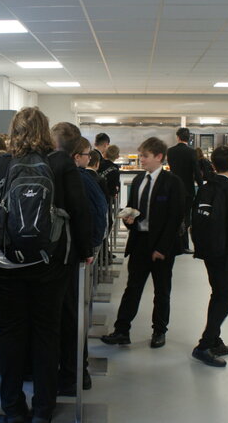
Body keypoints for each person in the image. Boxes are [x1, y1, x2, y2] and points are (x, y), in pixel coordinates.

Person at [0, 107, 92, 423]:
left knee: (10, 334)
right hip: (51, 264)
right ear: (45, 131)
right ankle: (43, 407)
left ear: (14, 131)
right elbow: (80, 213)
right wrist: (85, 251)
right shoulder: (61, 163)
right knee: (47, 334)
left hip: (6, 265)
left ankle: (12, 408)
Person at [101, 137, 185, 349]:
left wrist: (162, 248)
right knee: (133, 288)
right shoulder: (139, 181)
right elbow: (133, 208)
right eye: (140, 156)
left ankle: (159, 331)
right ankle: (122, 330)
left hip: (161, 246)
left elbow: (175, 218)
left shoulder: (172, 183)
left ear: (158, 157)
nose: (141, 160)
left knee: (161, 290)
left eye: (145, 156)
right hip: (139, 241)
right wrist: (130, 220)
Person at [58, 136, 108, 396]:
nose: (90, 158)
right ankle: (77, 372)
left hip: (57, 261)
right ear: (76, 156)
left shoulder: (56, 174)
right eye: (88, 154)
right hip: (74, 258)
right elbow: (99, 216)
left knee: (65, 318)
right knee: (73, 318)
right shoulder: (82, 179)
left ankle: (72, 372)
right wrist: (89, 249)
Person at [191, 146, 228, 368]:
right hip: (226, 250)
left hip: (208, 249)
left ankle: (214, 339)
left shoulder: (205, 188)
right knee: (227, 296)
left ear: (212, 164)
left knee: (217, 292)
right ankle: (204, 345)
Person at [167, 128, 203, 254]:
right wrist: (201, 186)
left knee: (174, 215)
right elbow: (196, 171)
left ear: (178, 137)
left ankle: (172, 243)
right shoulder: (191, 152)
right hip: (188, 189)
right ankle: (184, 245)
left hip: (173, 188)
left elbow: (171, 169)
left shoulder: (170, 151)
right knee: (186, 216)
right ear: (189, 138)